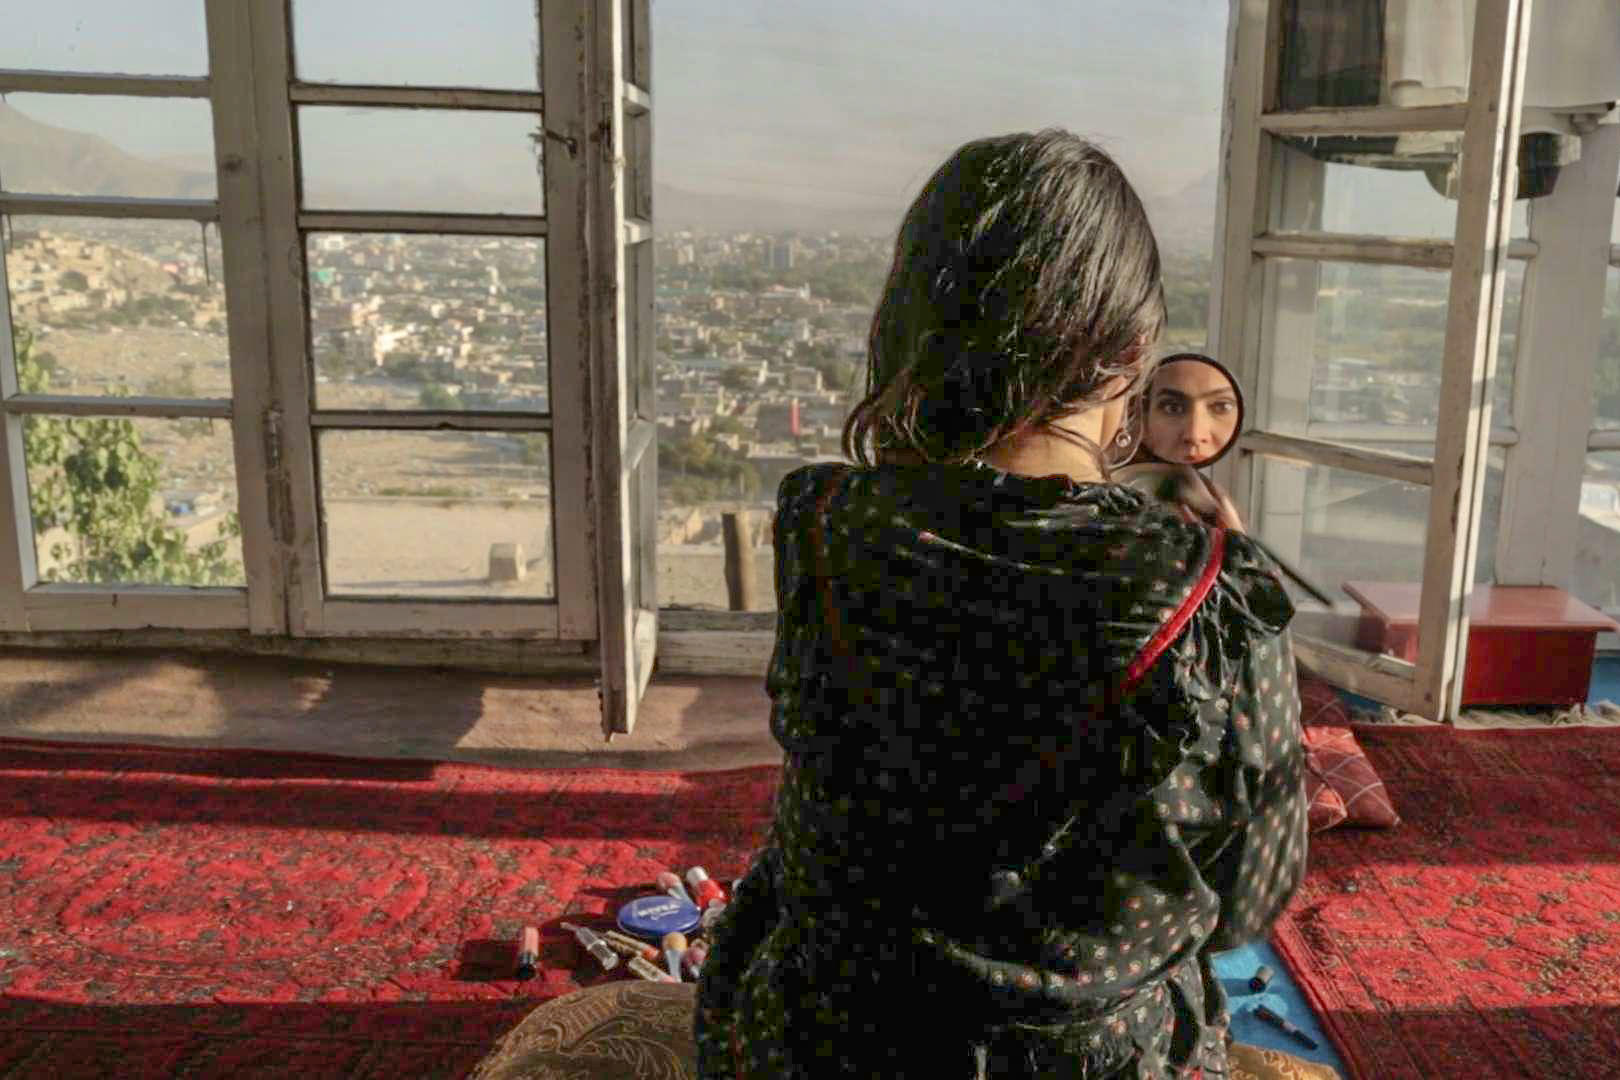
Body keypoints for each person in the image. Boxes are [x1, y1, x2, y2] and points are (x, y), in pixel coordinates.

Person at [693, 129, 1307, 1078]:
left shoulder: (824, 523)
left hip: (812, 1044)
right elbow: (1245, 900)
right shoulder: (1206, 590)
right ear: (1131, 349)